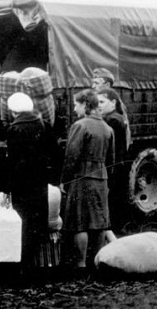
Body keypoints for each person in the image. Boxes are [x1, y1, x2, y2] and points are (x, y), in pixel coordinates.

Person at [59, 89, 114, 276]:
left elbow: (71, 156)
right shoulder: (108, 129)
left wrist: (64, 180)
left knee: (80, 222)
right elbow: (112, 159)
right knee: (99, 222)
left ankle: (81, 264)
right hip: (101, 178)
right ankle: (96, 261)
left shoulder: (80, 126)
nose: (75, 109)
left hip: (82, 178)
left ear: (85, 105)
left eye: (76, 104)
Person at [5, 93, 52, 270]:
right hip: (40, 182)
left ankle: (23, 265)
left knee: (23, 223)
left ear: (13, 111)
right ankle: (38, 263)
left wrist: (8, 186)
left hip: (21, 184)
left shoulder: (14, 129)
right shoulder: (43, 125)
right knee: (38, 222)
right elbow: (52, 153)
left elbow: (13, 162)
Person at [97, 88, 130, 237]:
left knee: (112, 200)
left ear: (113, 102)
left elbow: (110, 148)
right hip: (119, 166)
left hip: (113, 167)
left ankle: (112, 232)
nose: (99, 106)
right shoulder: (118, 117)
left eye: (102, 102)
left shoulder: (112, 120)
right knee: (117, 199)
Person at [91, 67, 131, 146]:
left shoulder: (115, 105)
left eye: (96, 83)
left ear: (107, 85)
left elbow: (125, 133)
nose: (93, 86)